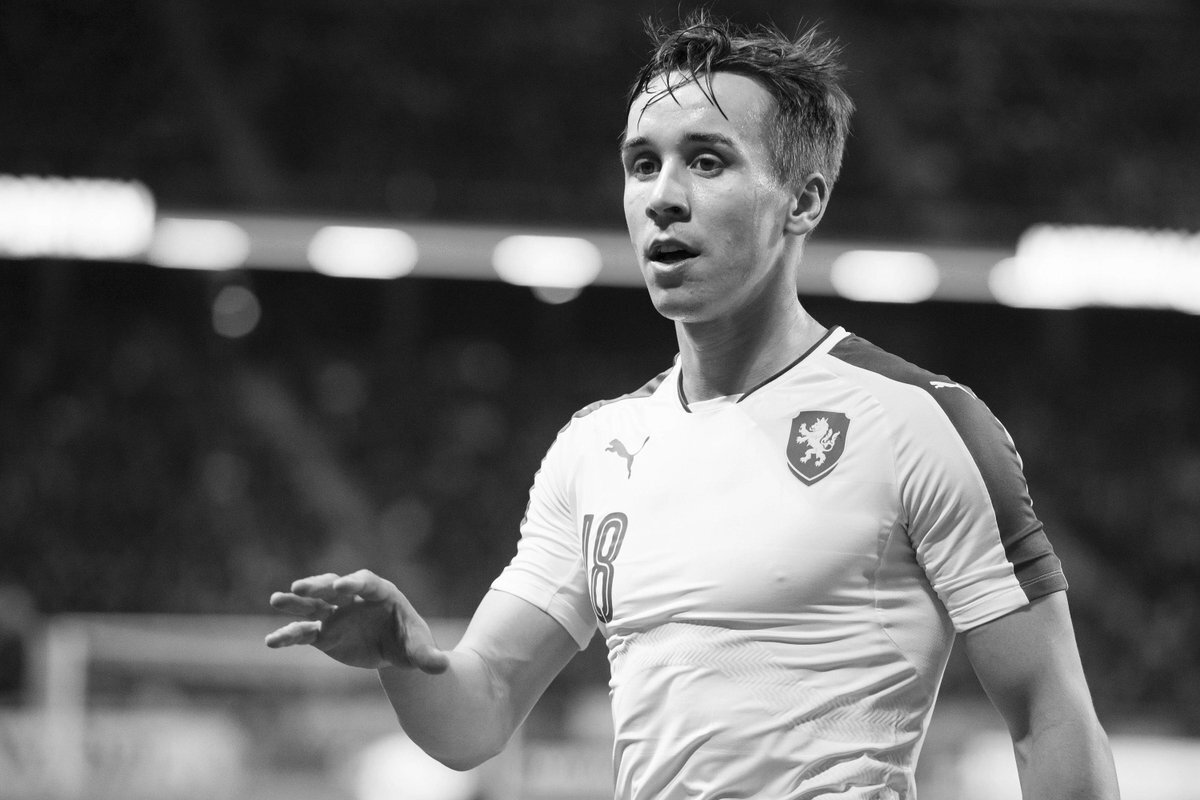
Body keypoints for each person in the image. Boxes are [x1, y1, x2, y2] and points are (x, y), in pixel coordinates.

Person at [267, 12, 1120, 799]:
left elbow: (1049, 718)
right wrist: (405, 659)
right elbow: (480, 707)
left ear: (804, 200)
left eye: (707, 161)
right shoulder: (594, 447)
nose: (663, 196)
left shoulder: (922, 423)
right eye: (643, 163)